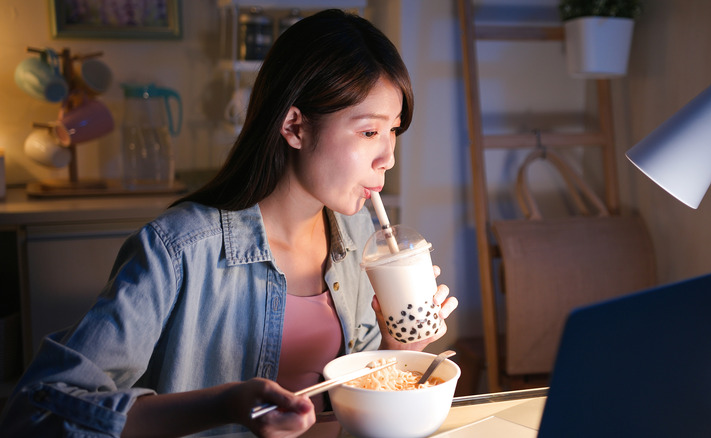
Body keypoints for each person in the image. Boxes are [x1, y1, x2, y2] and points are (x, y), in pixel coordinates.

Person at [0, 8, 458, 438]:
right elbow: (37, 409)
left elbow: (357, 398)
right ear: (295, 126)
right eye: (369, 131)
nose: (388, 156)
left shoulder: (359, 237)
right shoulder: (178, 249)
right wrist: (224, 405)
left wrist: (401, 345)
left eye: (394, 130)